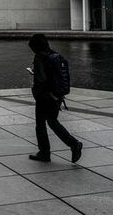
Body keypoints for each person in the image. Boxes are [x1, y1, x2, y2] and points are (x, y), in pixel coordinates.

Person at [28, 34, 82, 163]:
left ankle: (44, 153)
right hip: (57, 96)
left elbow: (41, 80)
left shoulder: (40, 57)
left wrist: (36, 92)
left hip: (44, 97)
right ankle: (74, 144)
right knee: (53, 122)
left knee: (40, 125)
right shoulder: (56, 56)